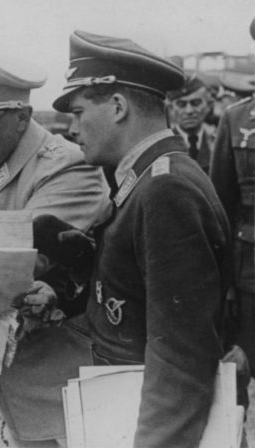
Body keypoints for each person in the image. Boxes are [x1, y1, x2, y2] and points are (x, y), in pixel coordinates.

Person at [53, 30, 231, 448]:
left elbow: (180, 358)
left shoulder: (165, 189)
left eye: (77, 112)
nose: (69, 127)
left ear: (117, 107)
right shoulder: (147, 180)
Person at [0, 48, 110, 447]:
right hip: (25, 388)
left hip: (69, 394)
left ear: (21, 118)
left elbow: (15, 256)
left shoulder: (68, 167)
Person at [211, 18, 255, 388]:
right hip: (248, 281)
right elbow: (220, 211)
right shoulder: (236, 118)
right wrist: (224, 285)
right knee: (235, 385)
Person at [166, 74, 215, 173]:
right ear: (171, 109)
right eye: (181, 104)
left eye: (196, 103)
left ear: (208, 106)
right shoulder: (165, 144)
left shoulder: (218, 140)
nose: (189, 111)